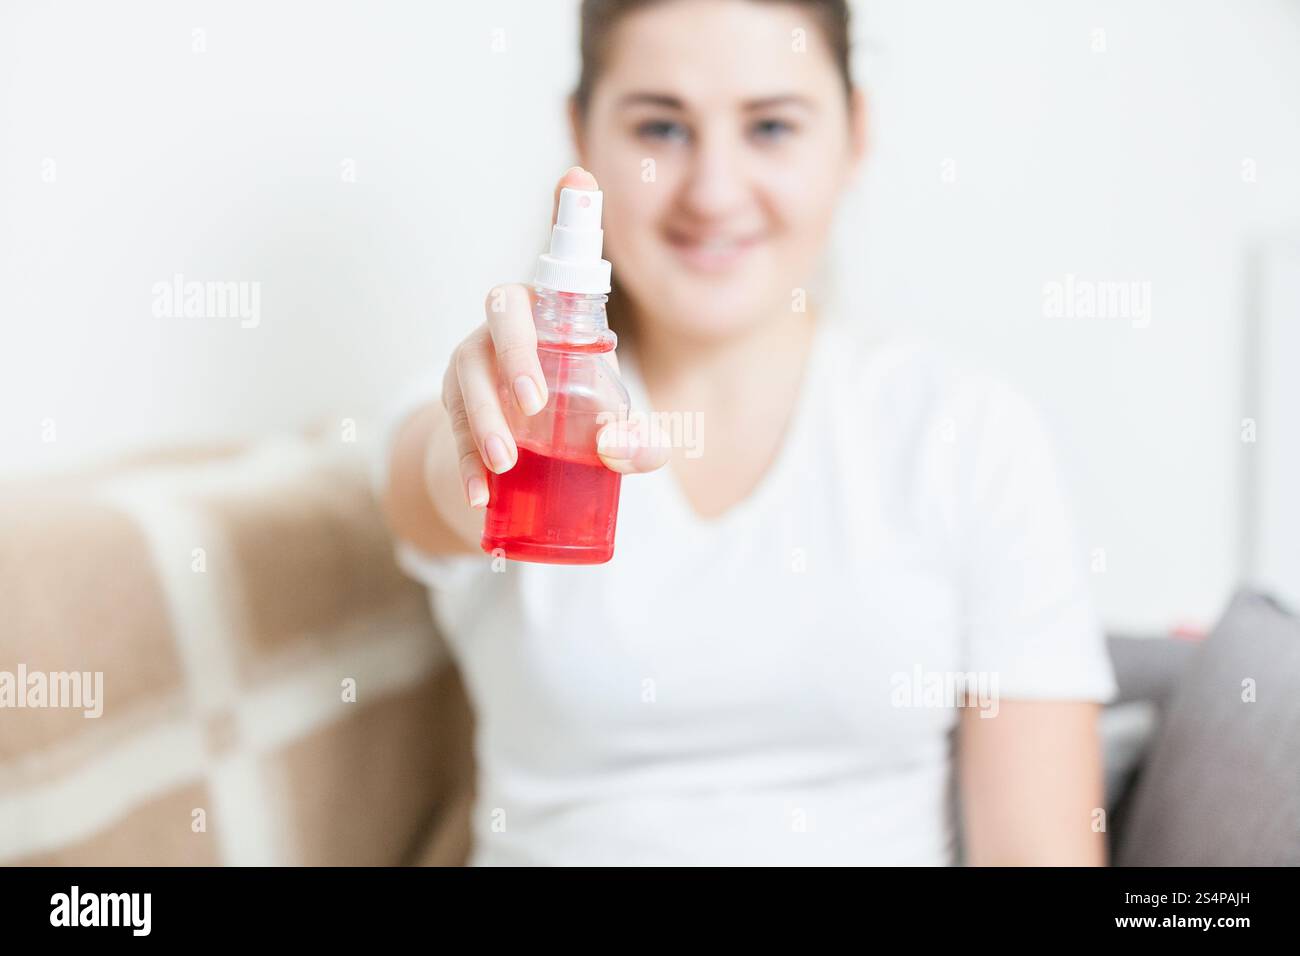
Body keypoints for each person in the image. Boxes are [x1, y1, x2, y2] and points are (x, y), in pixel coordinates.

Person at [379, 0, 1116, 865]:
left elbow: (1039, 854)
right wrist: (484, 437)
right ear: (582, 135)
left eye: (771, 127)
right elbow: (436, 485)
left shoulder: (966, 436)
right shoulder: (503, 403)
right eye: (661, 126)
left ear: (855, 134)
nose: (715, 191)